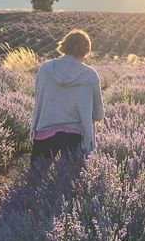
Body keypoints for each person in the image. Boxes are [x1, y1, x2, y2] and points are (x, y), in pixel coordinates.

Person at [30, 29, 104, 164]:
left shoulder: (45, 69)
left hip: (44, 131)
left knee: (36, 177)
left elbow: (38, 99)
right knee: (71, 181)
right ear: (86, 50)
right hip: (74, 135)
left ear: (64, 45)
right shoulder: (90, 74)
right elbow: (98, 114)